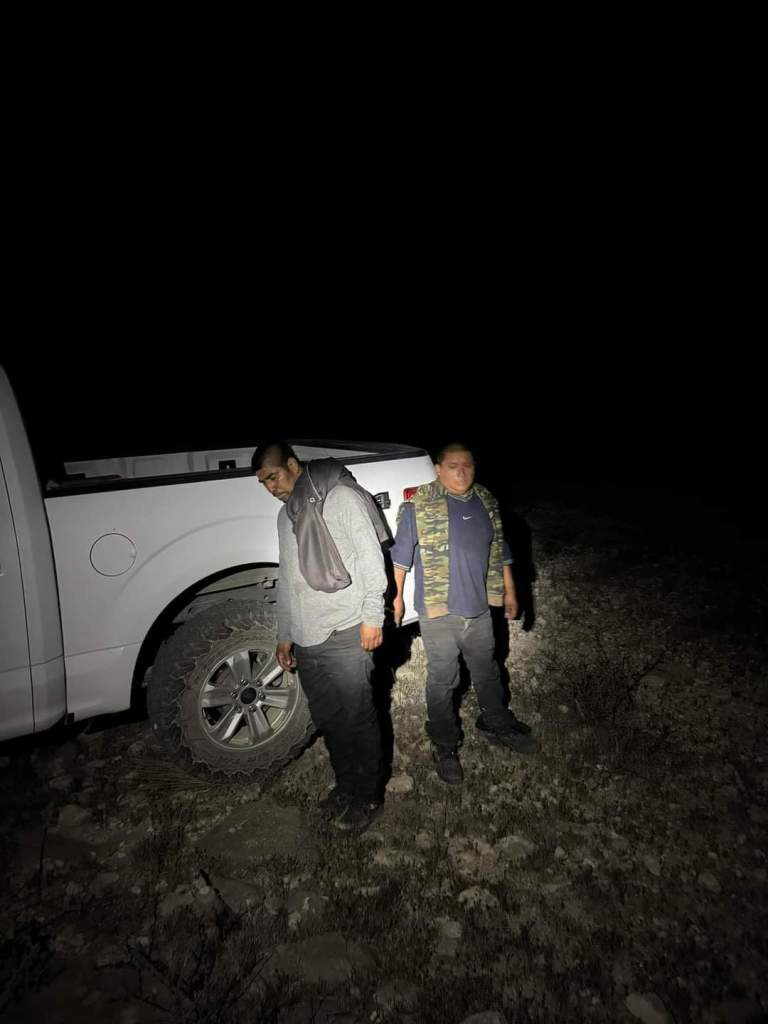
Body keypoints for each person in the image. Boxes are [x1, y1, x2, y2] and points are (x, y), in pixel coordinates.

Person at [252, 440, 388, 831]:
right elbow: (288, 578)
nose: (271, 488)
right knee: (329, 719)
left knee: (359, 717)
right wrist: (285, 633)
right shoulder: (285, 516)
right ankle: (346, 786)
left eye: (273, 477)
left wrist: (373, 617)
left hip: (347, 630)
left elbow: (371, 559)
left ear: (292, 465)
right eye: (263, 483)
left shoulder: (341, 497)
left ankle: (369, 795)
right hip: (307, 637)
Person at [391, 442, 538, 784]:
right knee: (443, 680)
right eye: (453, 465)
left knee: (487, 669)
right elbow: (400, 555)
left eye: (468, 465)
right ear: (438, 469)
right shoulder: (418, 505)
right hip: (439, 611)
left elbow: (499, 547)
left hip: (479, 608)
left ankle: (495, 721)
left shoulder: (485, 500)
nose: (461, 472)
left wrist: (510, 590)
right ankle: (444, 744)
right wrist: (396, 598)